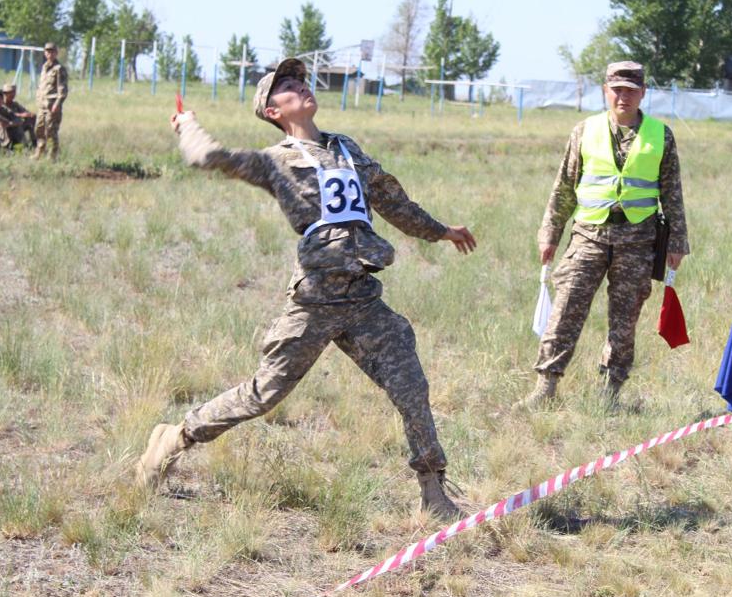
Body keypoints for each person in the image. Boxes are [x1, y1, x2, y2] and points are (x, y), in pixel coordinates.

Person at [135, 58, 477, 519]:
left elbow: (393, 201)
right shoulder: (275, 162)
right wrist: (188, 125)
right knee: (265, 393)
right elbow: (207, 157)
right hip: (314, 299)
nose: (300, 88)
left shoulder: (347, 149)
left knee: (411, 386)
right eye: (287, 88)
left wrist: (442, 231)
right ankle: (176, 436)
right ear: (273, 111)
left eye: (300, 81)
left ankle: (433, 493)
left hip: (362, 297)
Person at [516, 61, 690, 408]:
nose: (623, 96)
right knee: (564, 310)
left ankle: (610, 392)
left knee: (624, 322)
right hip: (588, 237)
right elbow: (565, 186)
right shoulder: (585, 131)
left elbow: (672, 192)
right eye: (617, 89)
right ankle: (545, 387)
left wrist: (677, 241)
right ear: (605, 91)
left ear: (642, 93)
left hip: (638, 242)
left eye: (630, 90)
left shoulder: (661, 135)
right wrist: (550, 231)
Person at [33, 42, 68, 160]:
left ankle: (52, 156)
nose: (50, 54)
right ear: (44, 53)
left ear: (56, 53)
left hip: (52, 106)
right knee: (39, 129)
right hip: (42, 105)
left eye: (52, 51)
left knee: (51, 131)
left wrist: (57, 104)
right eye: (47, 51)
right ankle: (40, 151)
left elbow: (62, 89)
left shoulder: (59, 69)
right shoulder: (44, 67)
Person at [2, 83, 37, 147]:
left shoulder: (15, 104)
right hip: (7, 128)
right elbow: (9, 114)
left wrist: (30, 114)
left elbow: (25, 112)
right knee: (18, 124)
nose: (12, 94)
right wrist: (20, 115)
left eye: (13, 92)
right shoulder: (1, 104)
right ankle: (24, 145)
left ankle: (34, 143)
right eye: (10, 92)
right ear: (5, 94)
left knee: (30, 120)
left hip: (17, 126)